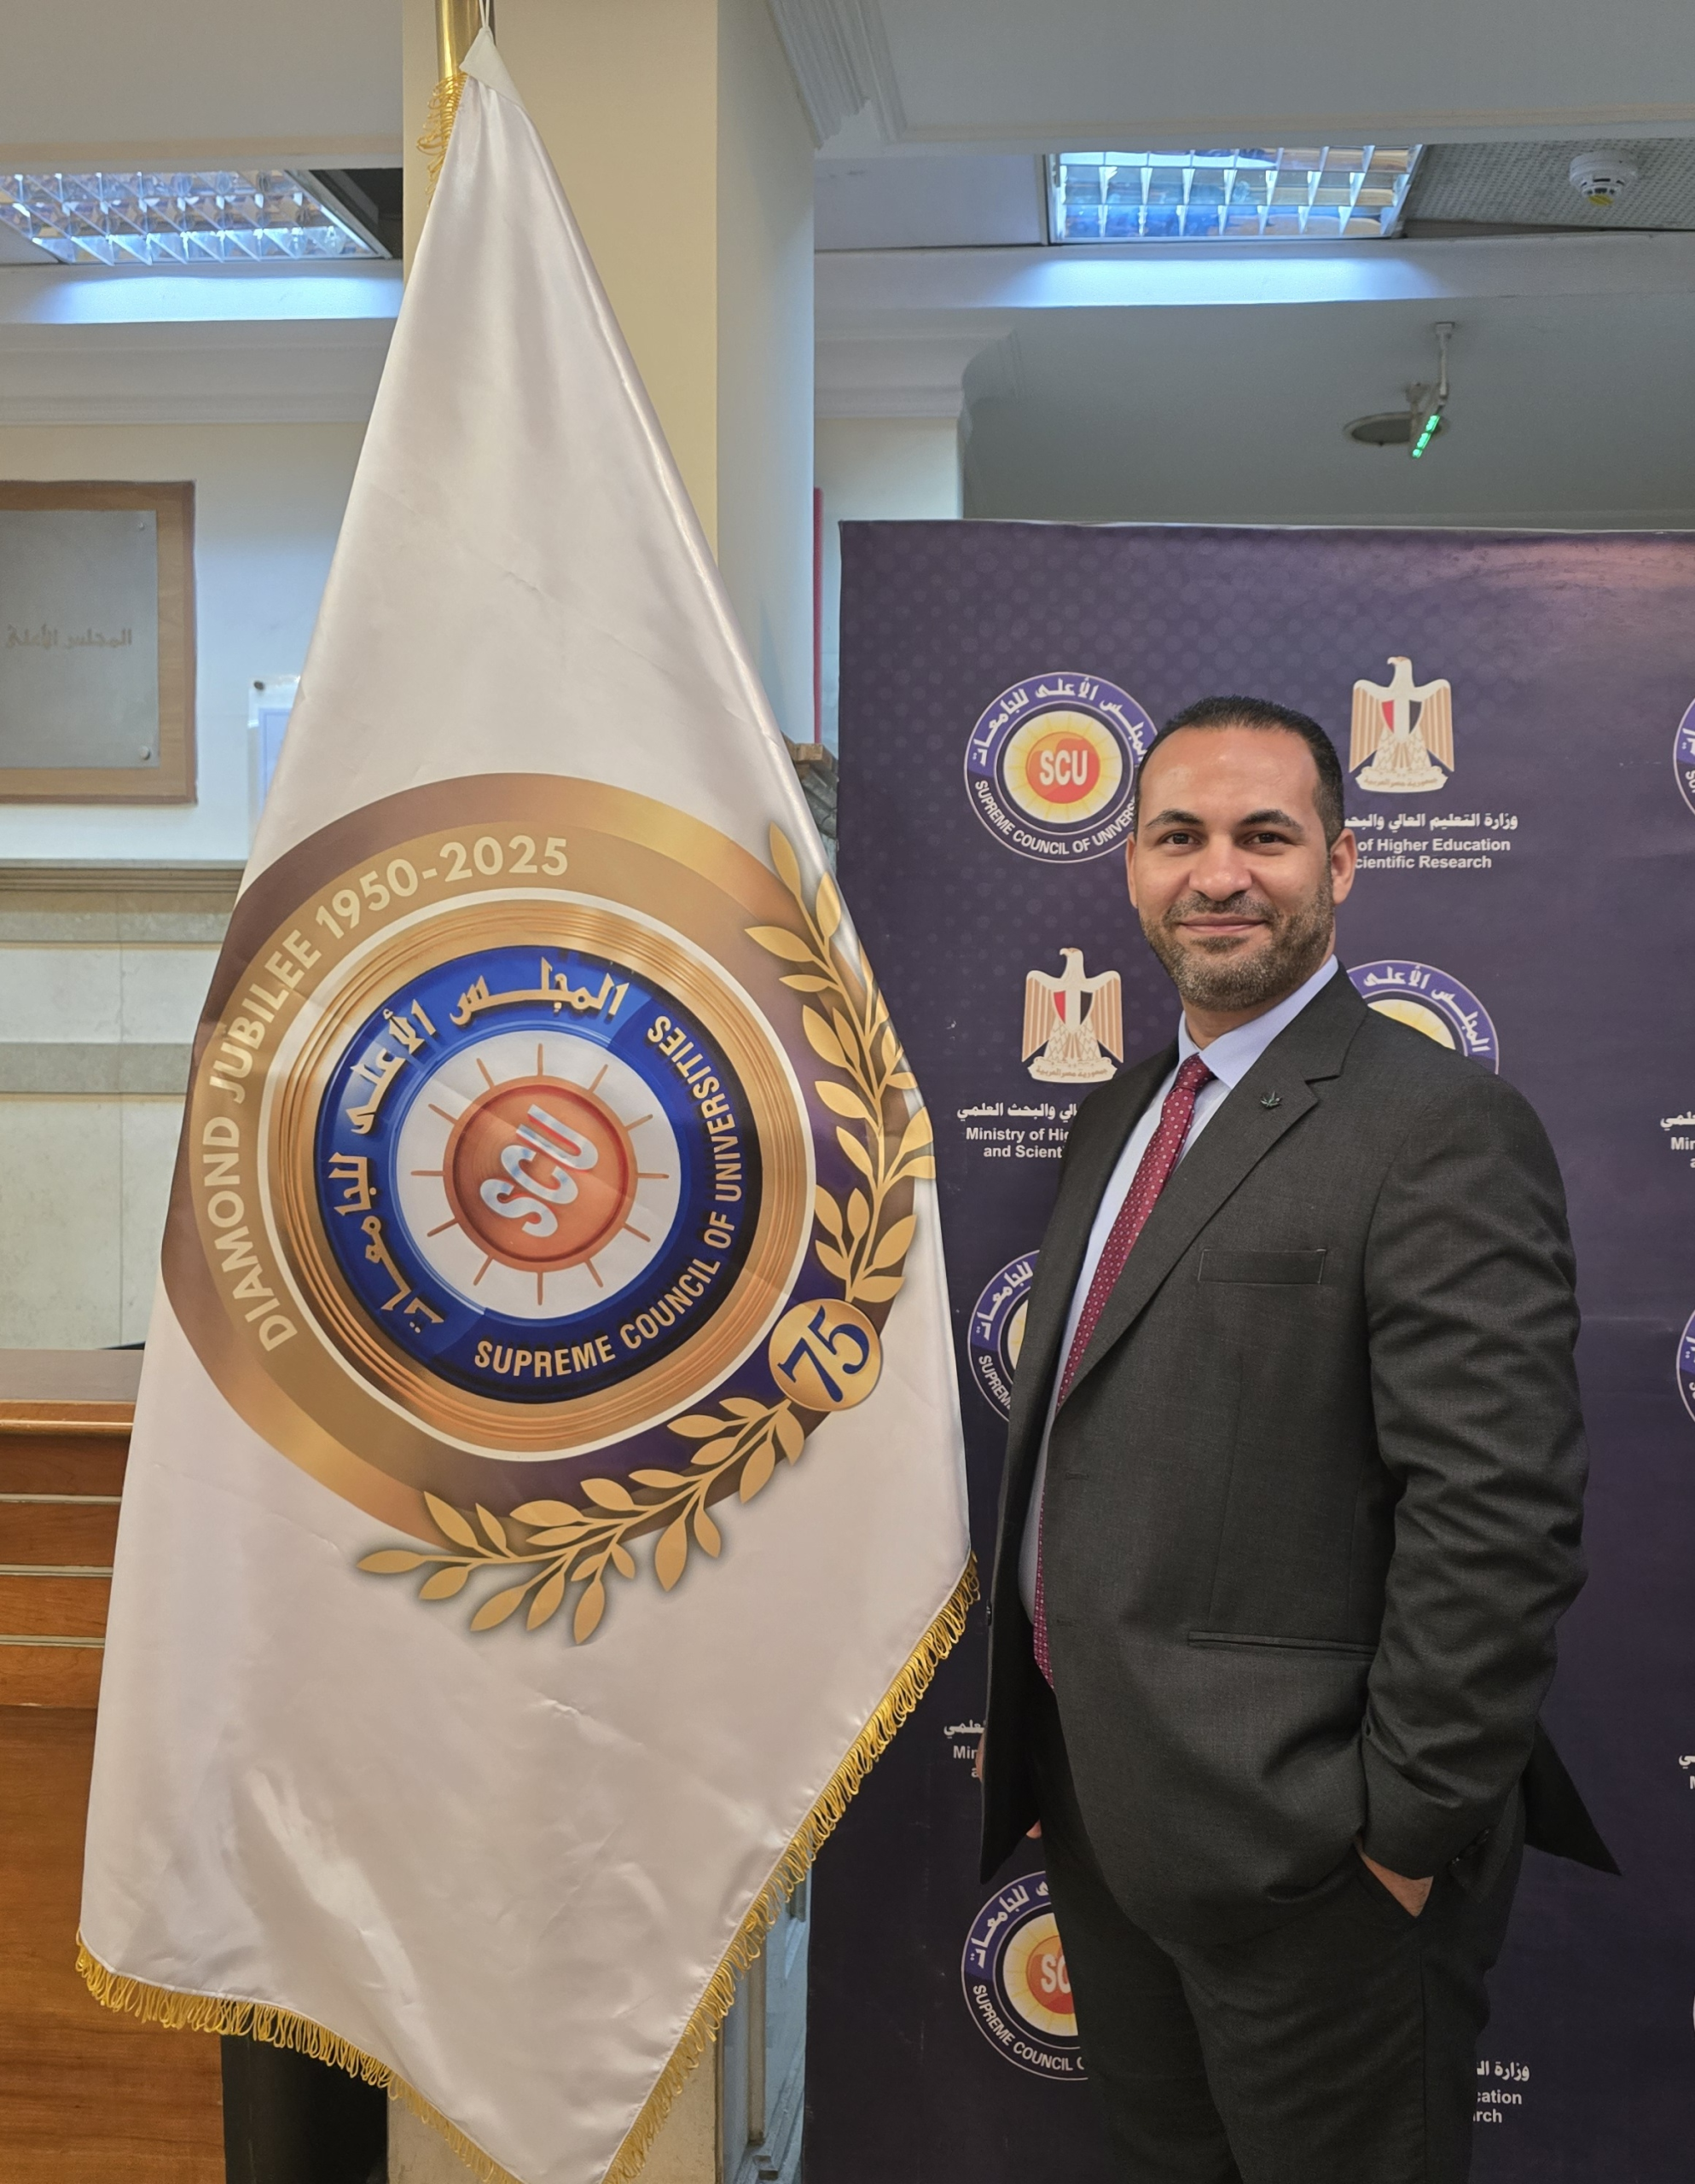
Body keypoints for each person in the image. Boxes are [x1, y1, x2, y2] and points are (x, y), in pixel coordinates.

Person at [976, 696, 1614, 2184]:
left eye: (1263, 836)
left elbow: (1495, 1513)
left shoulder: (1435, 1125)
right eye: (1177, 837)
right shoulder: (1116, 1118)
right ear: (1131, 870)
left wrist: (1396, 1838)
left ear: (1340, 863)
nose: (1218, 874)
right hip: (1108, 1822)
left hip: (1317, 1866)